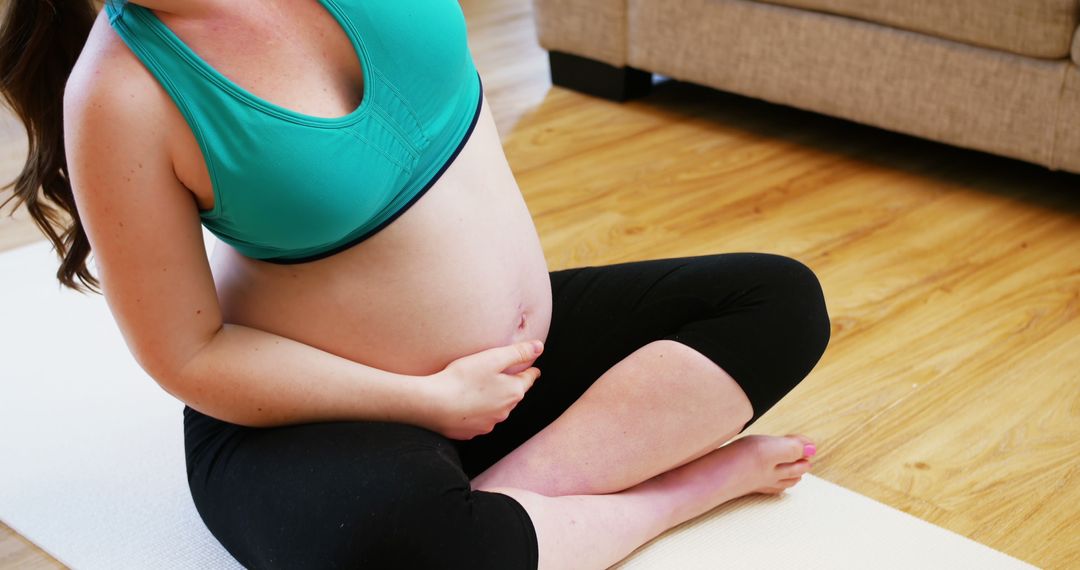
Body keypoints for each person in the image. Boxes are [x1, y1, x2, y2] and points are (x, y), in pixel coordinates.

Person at [0, 0, 831, 568]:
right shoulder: (118, 93)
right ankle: (676, 493)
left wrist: (466, 414)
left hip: (516, 364)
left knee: (778, 302)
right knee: (389, 544)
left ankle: (492, 517)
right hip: (312, 411)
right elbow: (190, 354)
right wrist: (426, 400)